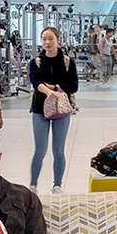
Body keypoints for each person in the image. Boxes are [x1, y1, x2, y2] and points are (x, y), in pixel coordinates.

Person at [27, 25, 77, 192]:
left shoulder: (68, 62)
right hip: (40, 110)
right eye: (44, 39)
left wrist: (55, 88)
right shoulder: (35, 63)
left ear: (58, 40)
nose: (47, 42)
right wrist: (47, 91)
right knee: (39, 150)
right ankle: (33, 185)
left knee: (59, 150)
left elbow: (73, 85)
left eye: (51, 39)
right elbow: (36, 82)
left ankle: (57, 185)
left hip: (62, 110)